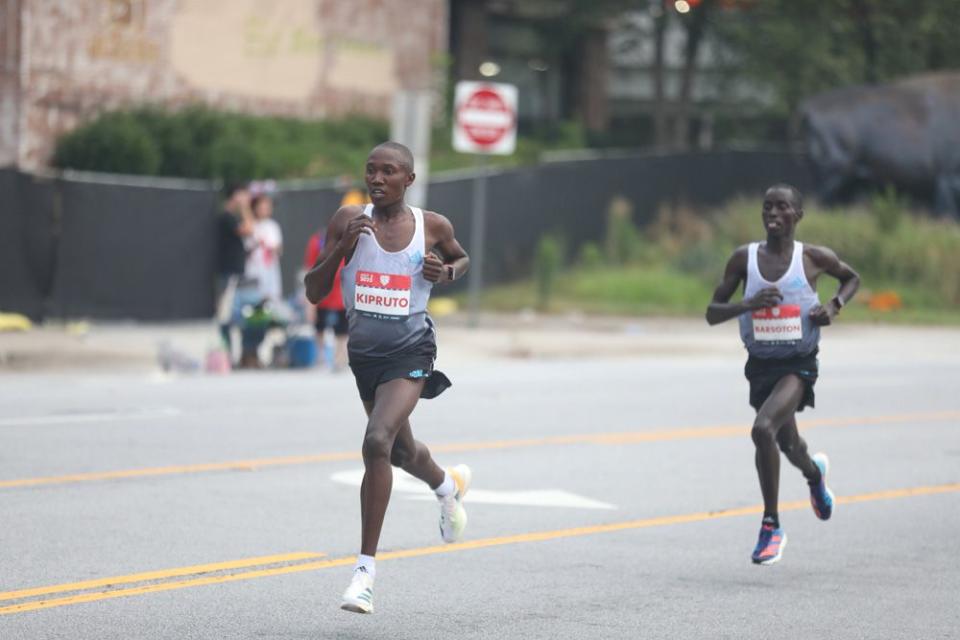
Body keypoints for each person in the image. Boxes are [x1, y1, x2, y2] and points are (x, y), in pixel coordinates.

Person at [304, 142, 471, 614]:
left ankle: (364, 574)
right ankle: (447, 487)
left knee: (376, 441)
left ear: (408, 180)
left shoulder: (431, 226)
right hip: (366, 358)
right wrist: (341, 247)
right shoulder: (346, 221)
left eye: (389, 172)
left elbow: (462, 259)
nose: (377, 179)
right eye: (371, 171)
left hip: (411, 351)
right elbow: (315, 292)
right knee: (400, 451)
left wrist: (446, 273)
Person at [706, 184, 860, 565]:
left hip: (798, 363)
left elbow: (851, 278)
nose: (773, 213)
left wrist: (834, 305)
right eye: (767, 207)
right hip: (760, 366)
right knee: (788, 444)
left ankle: (771, 525)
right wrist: (749, 303)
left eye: (782, 207)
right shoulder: (744, 260)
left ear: (798, 215)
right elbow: (712, 312)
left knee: (762, 429)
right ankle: (814, 476)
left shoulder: (813, 258)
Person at [215, 182, 254, 358]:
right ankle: (226, 353)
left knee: (240, 314)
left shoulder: (233, 217)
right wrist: (245, 208)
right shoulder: (227, 216)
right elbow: (249, 229)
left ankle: (240, 353)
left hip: (238, 273)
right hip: (228, 273)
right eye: (244, 195)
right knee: (225, 315)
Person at [246, 192, 283, 304]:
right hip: (255, 268)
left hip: (270, 269)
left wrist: (272, 248)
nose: (264, 210)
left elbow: (279, 248)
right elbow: (248, 246)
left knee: (271, 299)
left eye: (267, 207)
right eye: (261, 207)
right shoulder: (251, 226)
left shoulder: (273, 226)